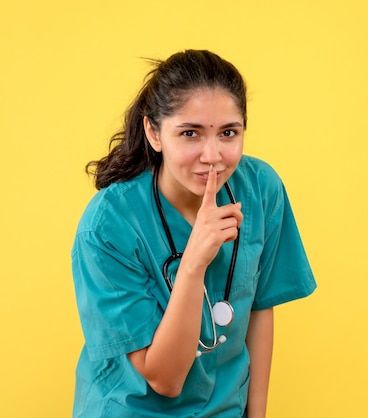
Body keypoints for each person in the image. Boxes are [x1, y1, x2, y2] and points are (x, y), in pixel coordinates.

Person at [71, 49, 316, 417]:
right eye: (190, 134)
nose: (212, 155)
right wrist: (194, 263)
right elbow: (164, 380)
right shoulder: (108, 225)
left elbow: (262, 307)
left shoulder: (260, 188)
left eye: (228, 133)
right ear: (154, 133)